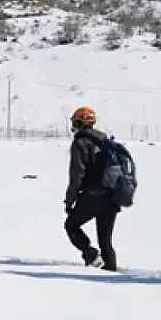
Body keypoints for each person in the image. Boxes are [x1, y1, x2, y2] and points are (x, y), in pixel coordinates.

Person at [63, 106, 118, 270]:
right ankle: (111, 271)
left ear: (79, 122)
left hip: (93, 196)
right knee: (105, 241)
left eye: (75, 122)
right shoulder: (105, 140)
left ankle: (91, 254)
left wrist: (69, 200)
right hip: (112, 196)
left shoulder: (80, 143)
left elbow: (77, 175)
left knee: (71, 225)